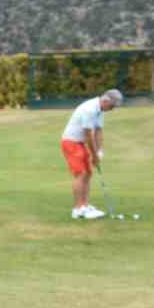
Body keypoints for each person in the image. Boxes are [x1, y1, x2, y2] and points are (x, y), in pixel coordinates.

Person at [61, 88, 122, 219]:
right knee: (81, 174)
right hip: (71, 142)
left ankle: (85, 205)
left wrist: (99, 151)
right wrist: (94, 155)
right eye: (112, 106)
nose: (113, 109)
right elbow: (88, 135)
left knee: (88, 173)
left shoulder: (99, 110)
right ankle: (77, 210)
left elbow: (99, 131)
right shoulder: (90, 109)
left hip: (80, 143)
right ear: (106, 101)